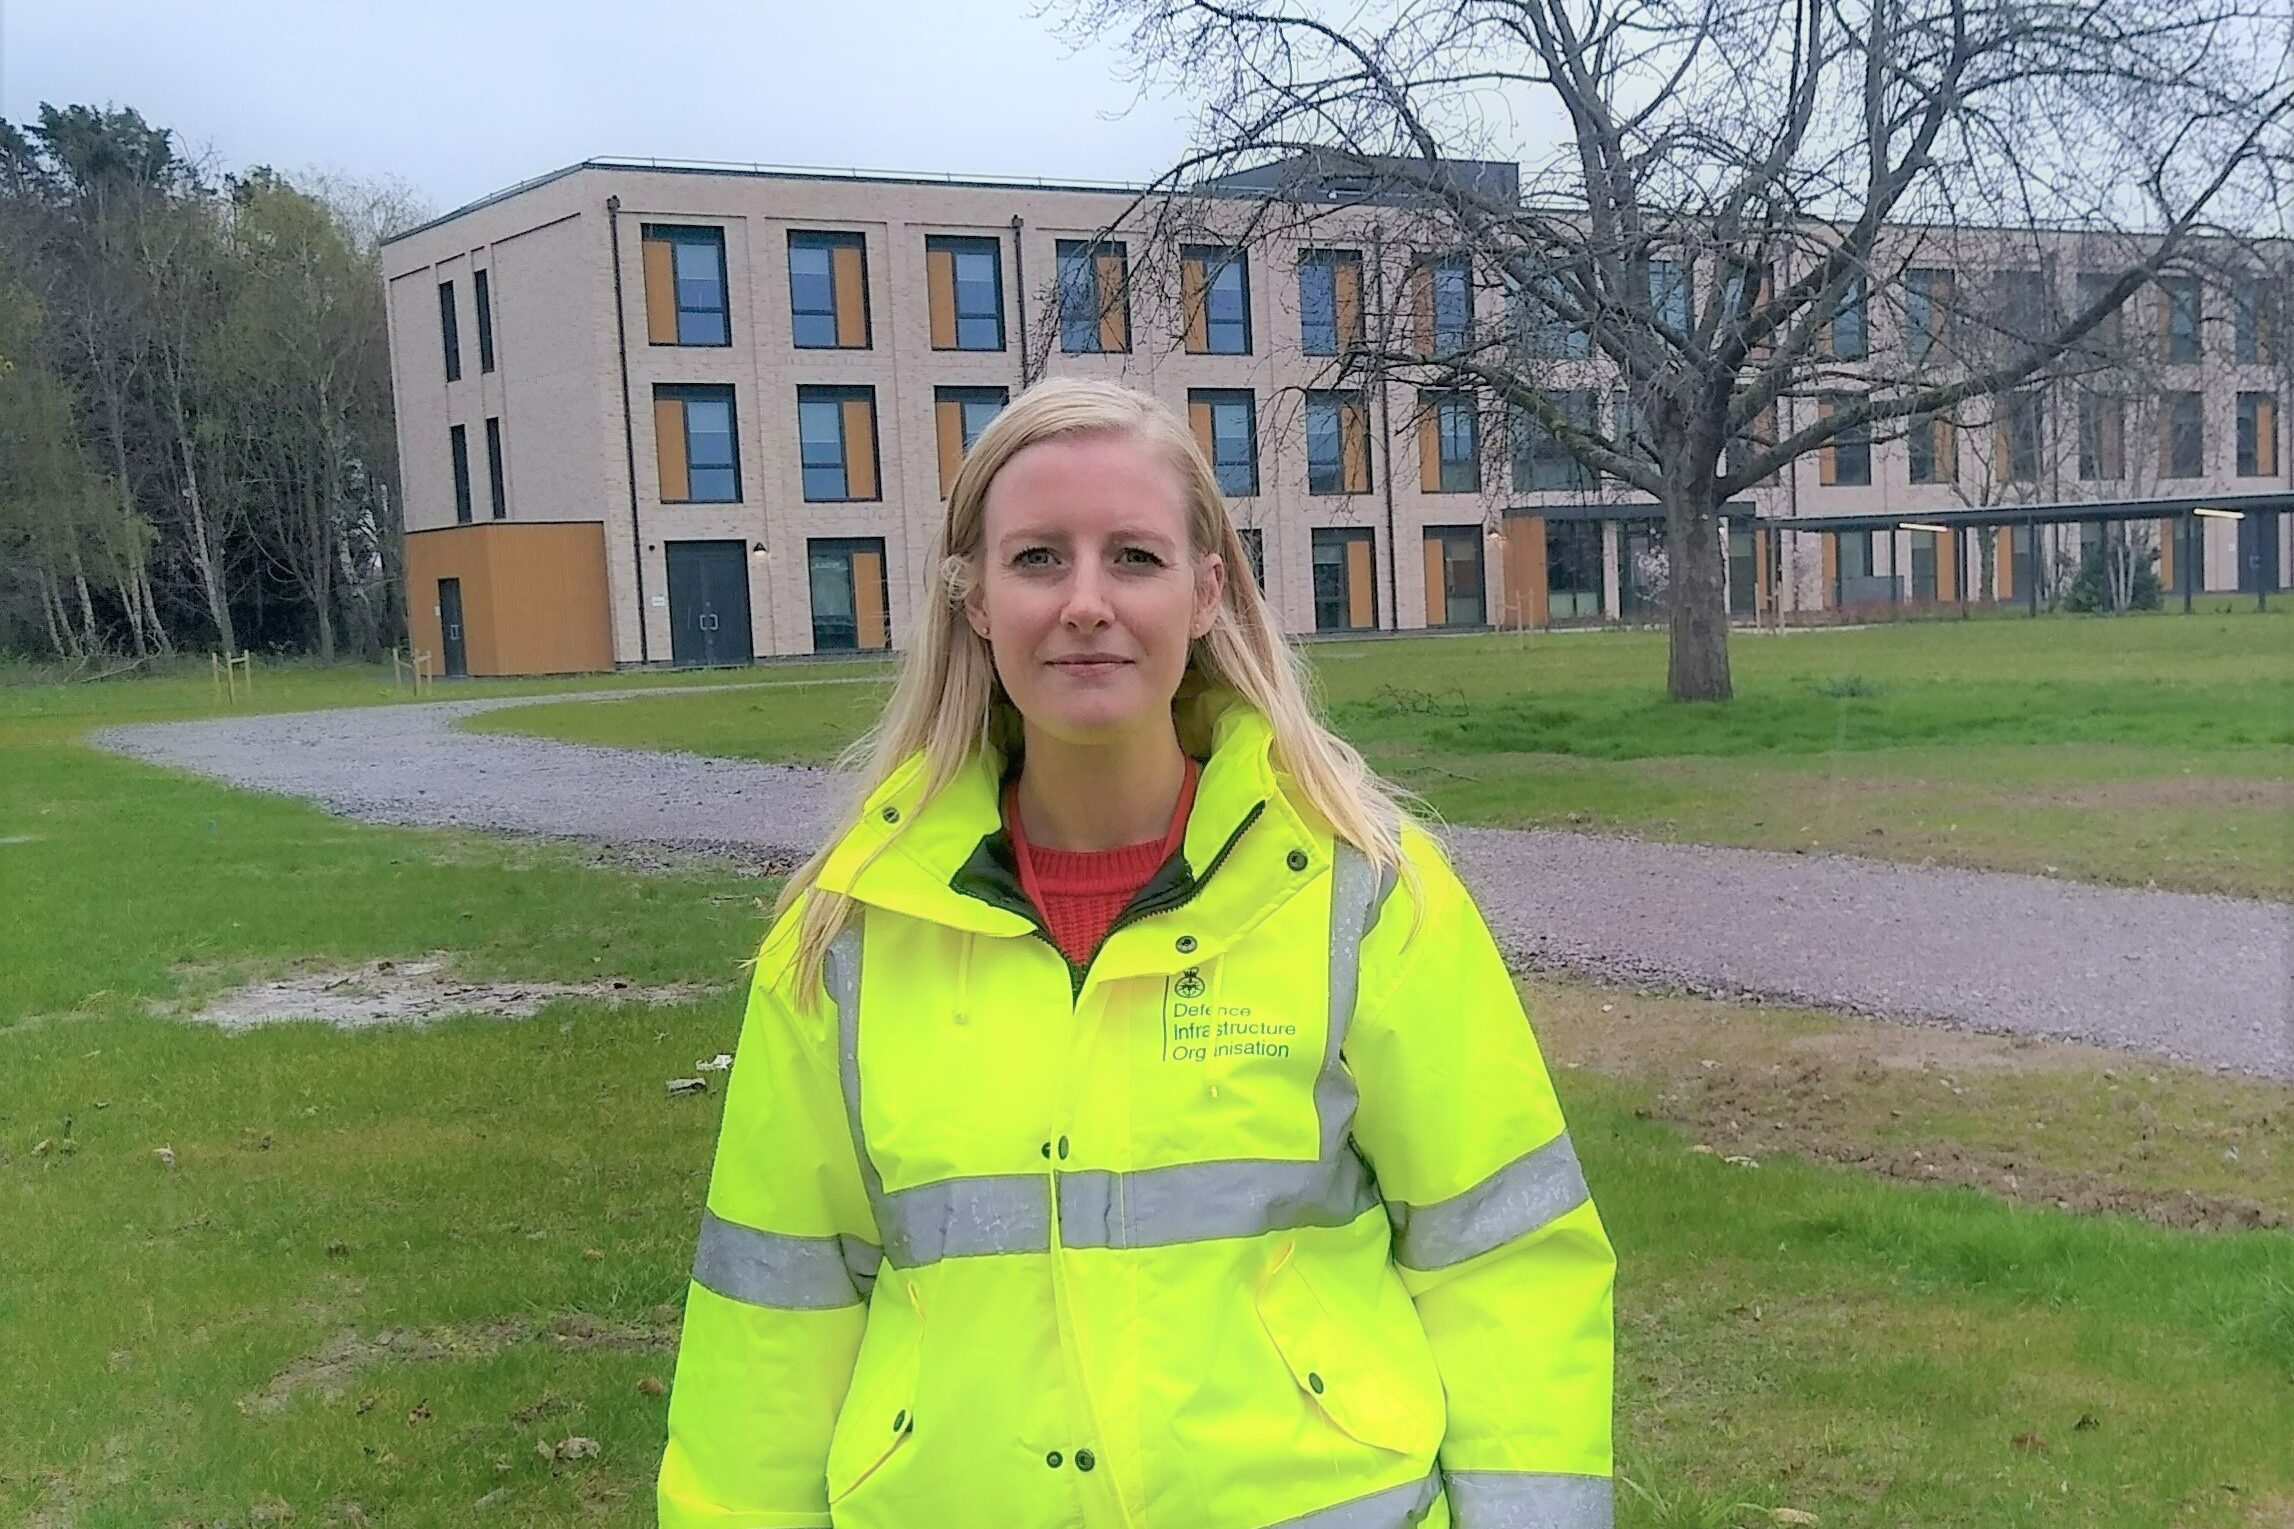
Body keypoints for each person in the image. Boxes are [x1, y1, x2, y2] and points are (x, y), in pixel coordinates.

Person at [657, 377, 1614, 1529]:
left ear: (1207, 590)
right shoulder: (847, 933)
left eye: (1134, 557)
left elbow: (1502, 1262)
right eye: (1038, 559)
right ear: (971, 598)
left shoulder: (1362, 894)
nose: (1085, 601)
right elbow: (771, 1320)